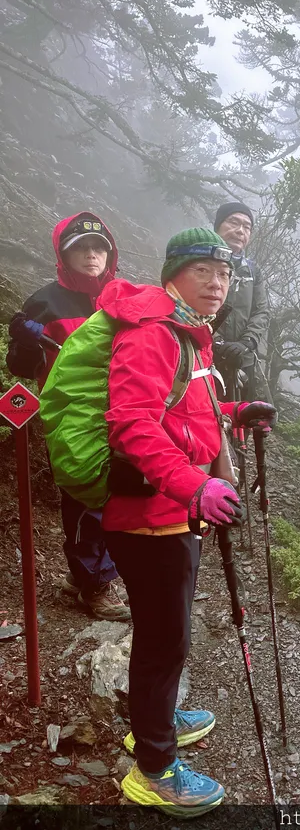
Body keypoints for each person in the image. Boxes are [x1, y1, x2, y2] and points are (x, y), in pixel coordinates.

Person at [89, 227, 276, 815]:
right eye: (203, 271)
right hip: (149, 515)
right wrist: (195, 483)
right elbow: (133, 425)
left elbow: (182, 411)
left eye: (224, 275)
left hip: (169, 510)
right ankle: (154, 768)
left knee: (164, 634)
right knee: (164, 640)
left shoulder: (188, 336)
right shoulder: (151, 335)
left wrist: (233, 411)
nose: (218, 283)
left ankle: (156, 717)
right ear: (173, 274)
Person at [6, 212, 130, 622]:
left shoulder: (121, 296)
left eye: (99, 248)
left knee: (106, 493)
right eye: (81, 249)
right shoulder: (45, 301)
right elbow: (22, 367)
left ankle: (83, 576)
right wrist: (23, 339)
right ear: (64, 254)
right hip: (71, 415)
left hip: (120, 408)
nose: (92, 255)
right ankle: (95, 585)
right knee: (88, 496)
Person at [211, 202, 270, 402]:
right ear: (218, 225)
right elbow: (189, 303)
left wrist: (247, 342)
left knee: (242, 420)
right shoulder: (200, 261)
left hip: (243, 359)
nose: (240, 231)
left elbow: (262, 311)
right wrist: (216, 342)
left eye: (247, 227)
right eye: (234, 222)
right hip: (205, 355)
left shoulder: (253, 271)